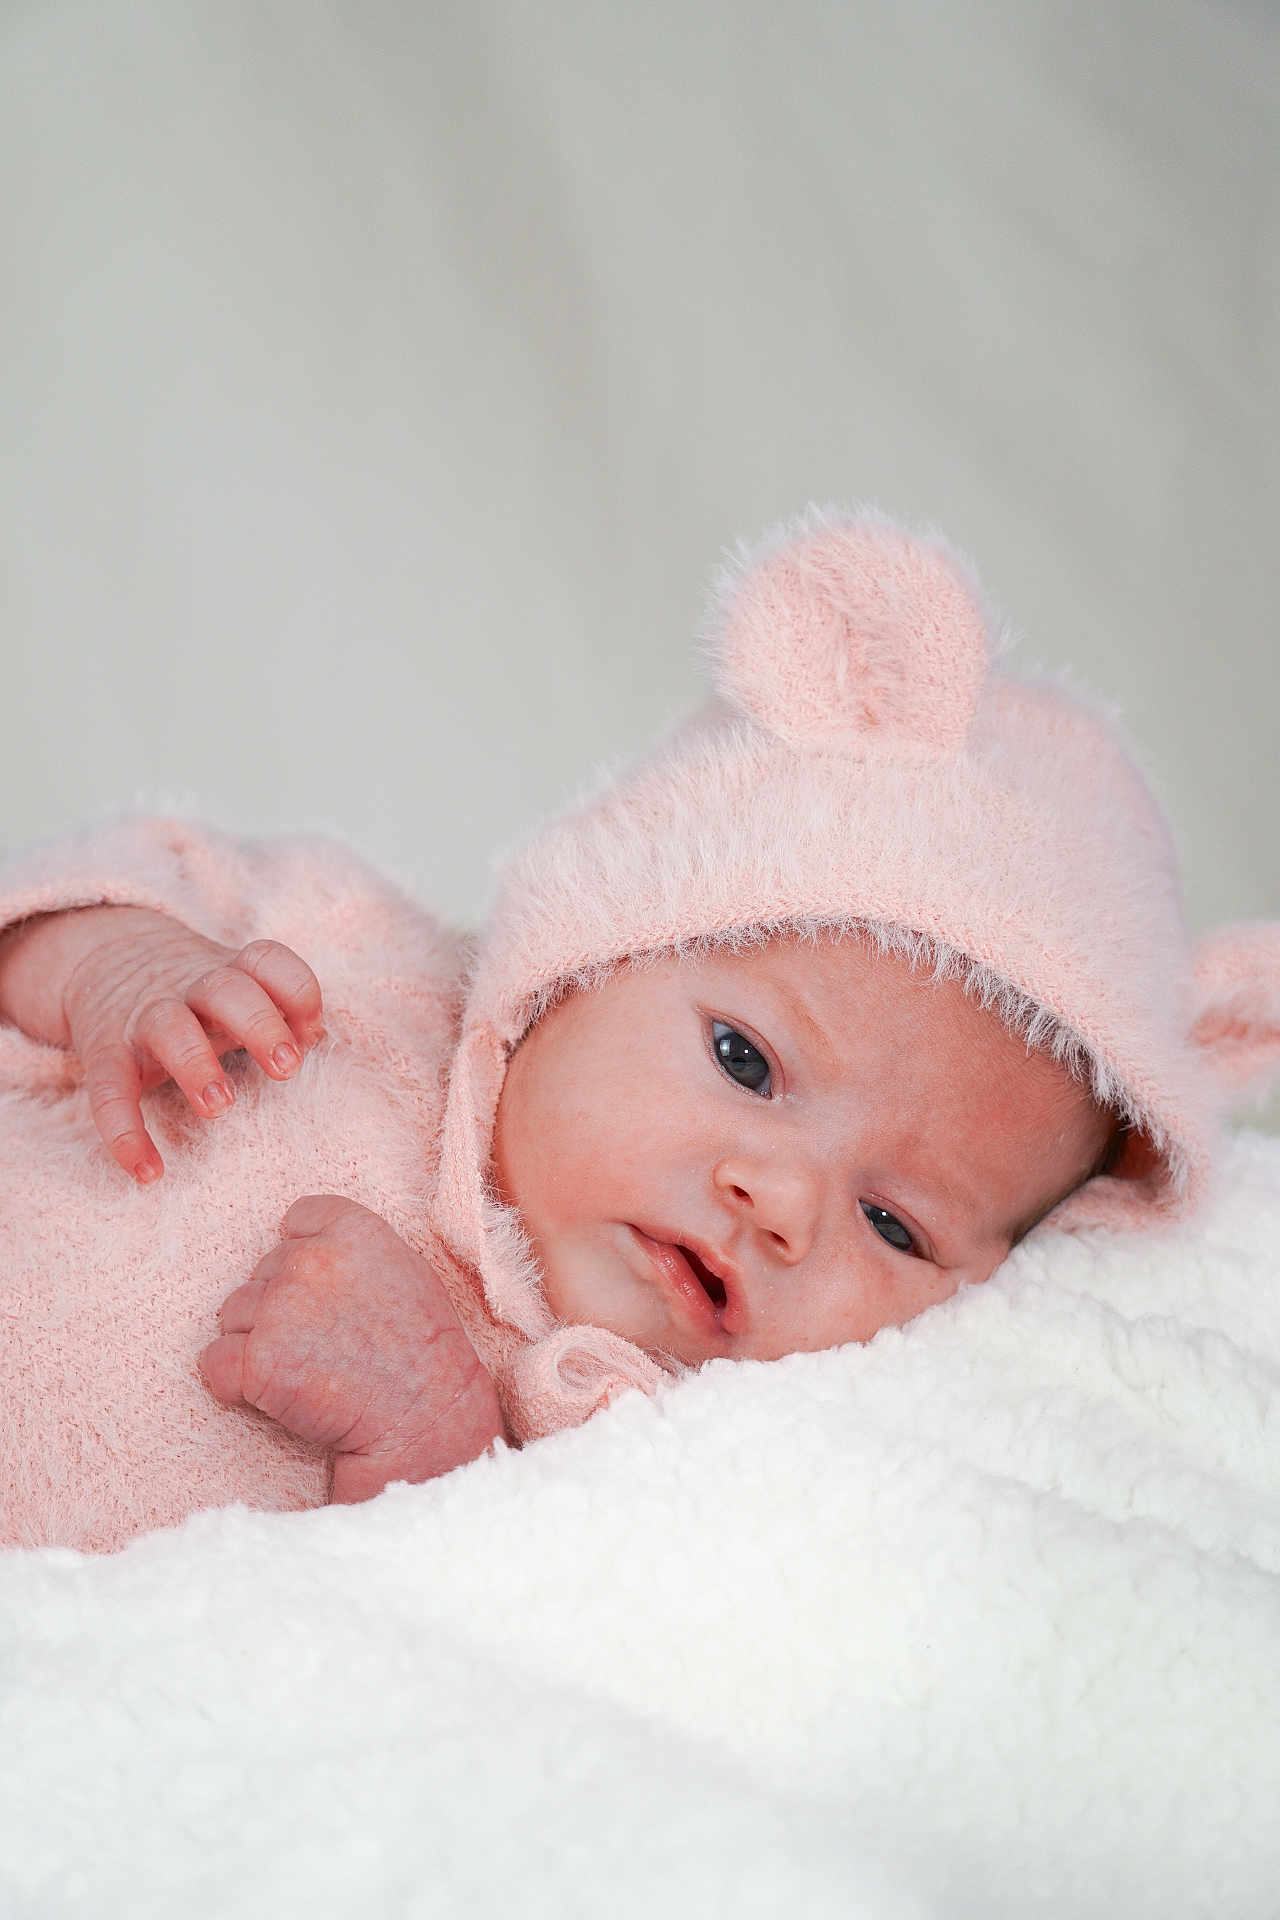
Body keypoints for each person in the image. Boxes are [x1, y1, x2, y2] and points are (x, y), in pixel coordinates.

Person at [1, 507, 1276, 1551]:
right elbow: (95, 896)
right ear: (589, 950)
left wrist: (425, 1439)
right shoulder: (343, 963)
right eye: (745, 1062)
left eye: (894, 1223)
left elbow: (443, 1649)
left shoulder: (605, 1428)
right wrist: (115, 960)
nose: (775, 1198)